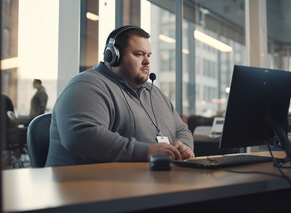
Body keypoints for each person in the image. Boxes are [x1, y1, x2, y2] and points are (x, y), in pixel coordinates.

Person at [45, 25, 194, 167]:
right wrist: (146, 152)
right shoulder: (85, 85)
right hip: (86, 188)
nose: (147, 61)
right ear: (113, 55)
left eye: (148, 55)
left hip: (144, 182)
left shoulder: (154, 92)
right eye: (139, 54)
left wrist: (183, 146)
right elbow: (81, 136)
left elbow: (181, 129)